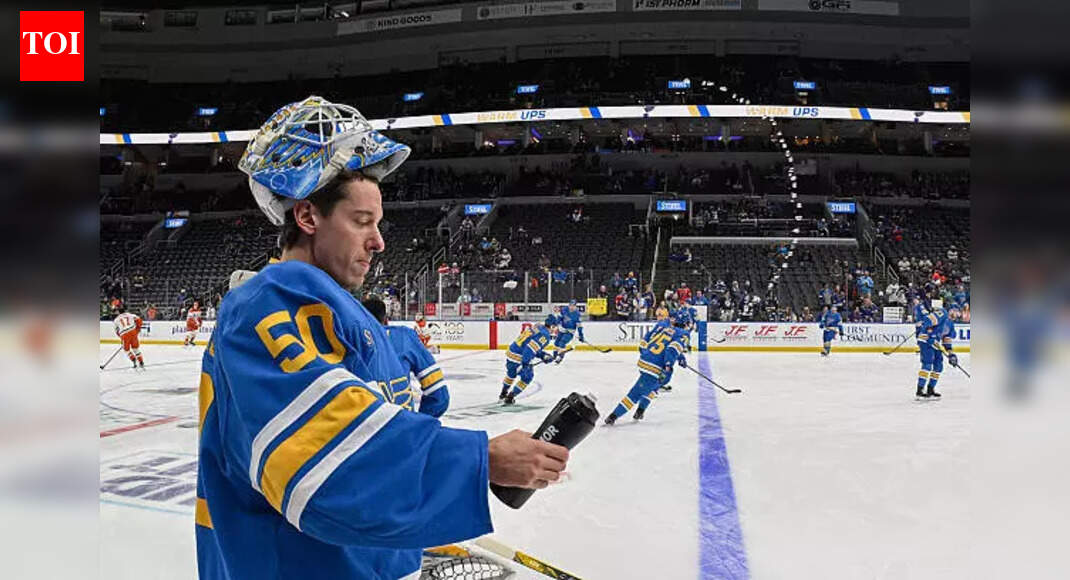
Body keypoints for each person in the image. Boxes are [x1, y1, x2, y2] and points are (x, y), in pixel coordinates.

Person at [198, 97, 568, 580]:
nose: (379, 241)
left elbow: (382, 425)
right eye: (361, 221)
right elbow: (324, 467)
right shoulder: (271, 301)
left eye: (378, 223)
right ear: (308, 218)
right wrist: (481, 460)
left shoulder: (340, 309)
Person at [362, 297, 449, 418]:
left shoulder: (347, 340)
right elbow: (439, 395)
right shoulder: (404, 336)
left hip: (362, 431)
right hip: (403, 427)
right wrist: (418, 425)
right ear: (386, 320)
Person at [604, 309, 690, 424]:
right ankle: (613, 416)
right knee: (636, 393)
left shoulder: (666, 328)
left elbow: (663, 344)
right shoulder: (684, 333)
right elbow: (671, 349)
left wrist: (680, 357)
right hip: (654, 366)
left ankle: (640, 411)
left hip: (646, 360)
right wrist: (668, 366)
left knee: (654, 386)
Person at [500, 316, 558, 405]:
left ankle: (503, 393)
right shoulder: (545, 335)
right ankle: (510, 397)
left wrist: (543, 356)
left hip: (511, 352)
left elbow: (531, 346)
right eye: (555, 327)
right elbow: (529, 349)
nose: (555, 330)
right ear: (552, 326)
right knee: (527, 377)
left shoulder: (538, 327)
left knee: (511, 374)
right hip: (519, 357)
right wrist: (525, 364)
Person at [915, 299, 957, 400]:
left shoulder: (951, 325)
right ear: (950, 309)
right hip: (926, 340)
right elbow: (928, 320)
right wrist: (930, 334)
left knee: (938, 366)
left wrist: (951, 354)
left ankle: (930, 389)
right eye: (954, 310)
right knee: (928, 364)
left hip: (935, 343)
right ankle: (920, 390)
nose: (956, 313)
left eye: (957, 311)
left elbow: (947, 341)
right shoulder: (943, 313)